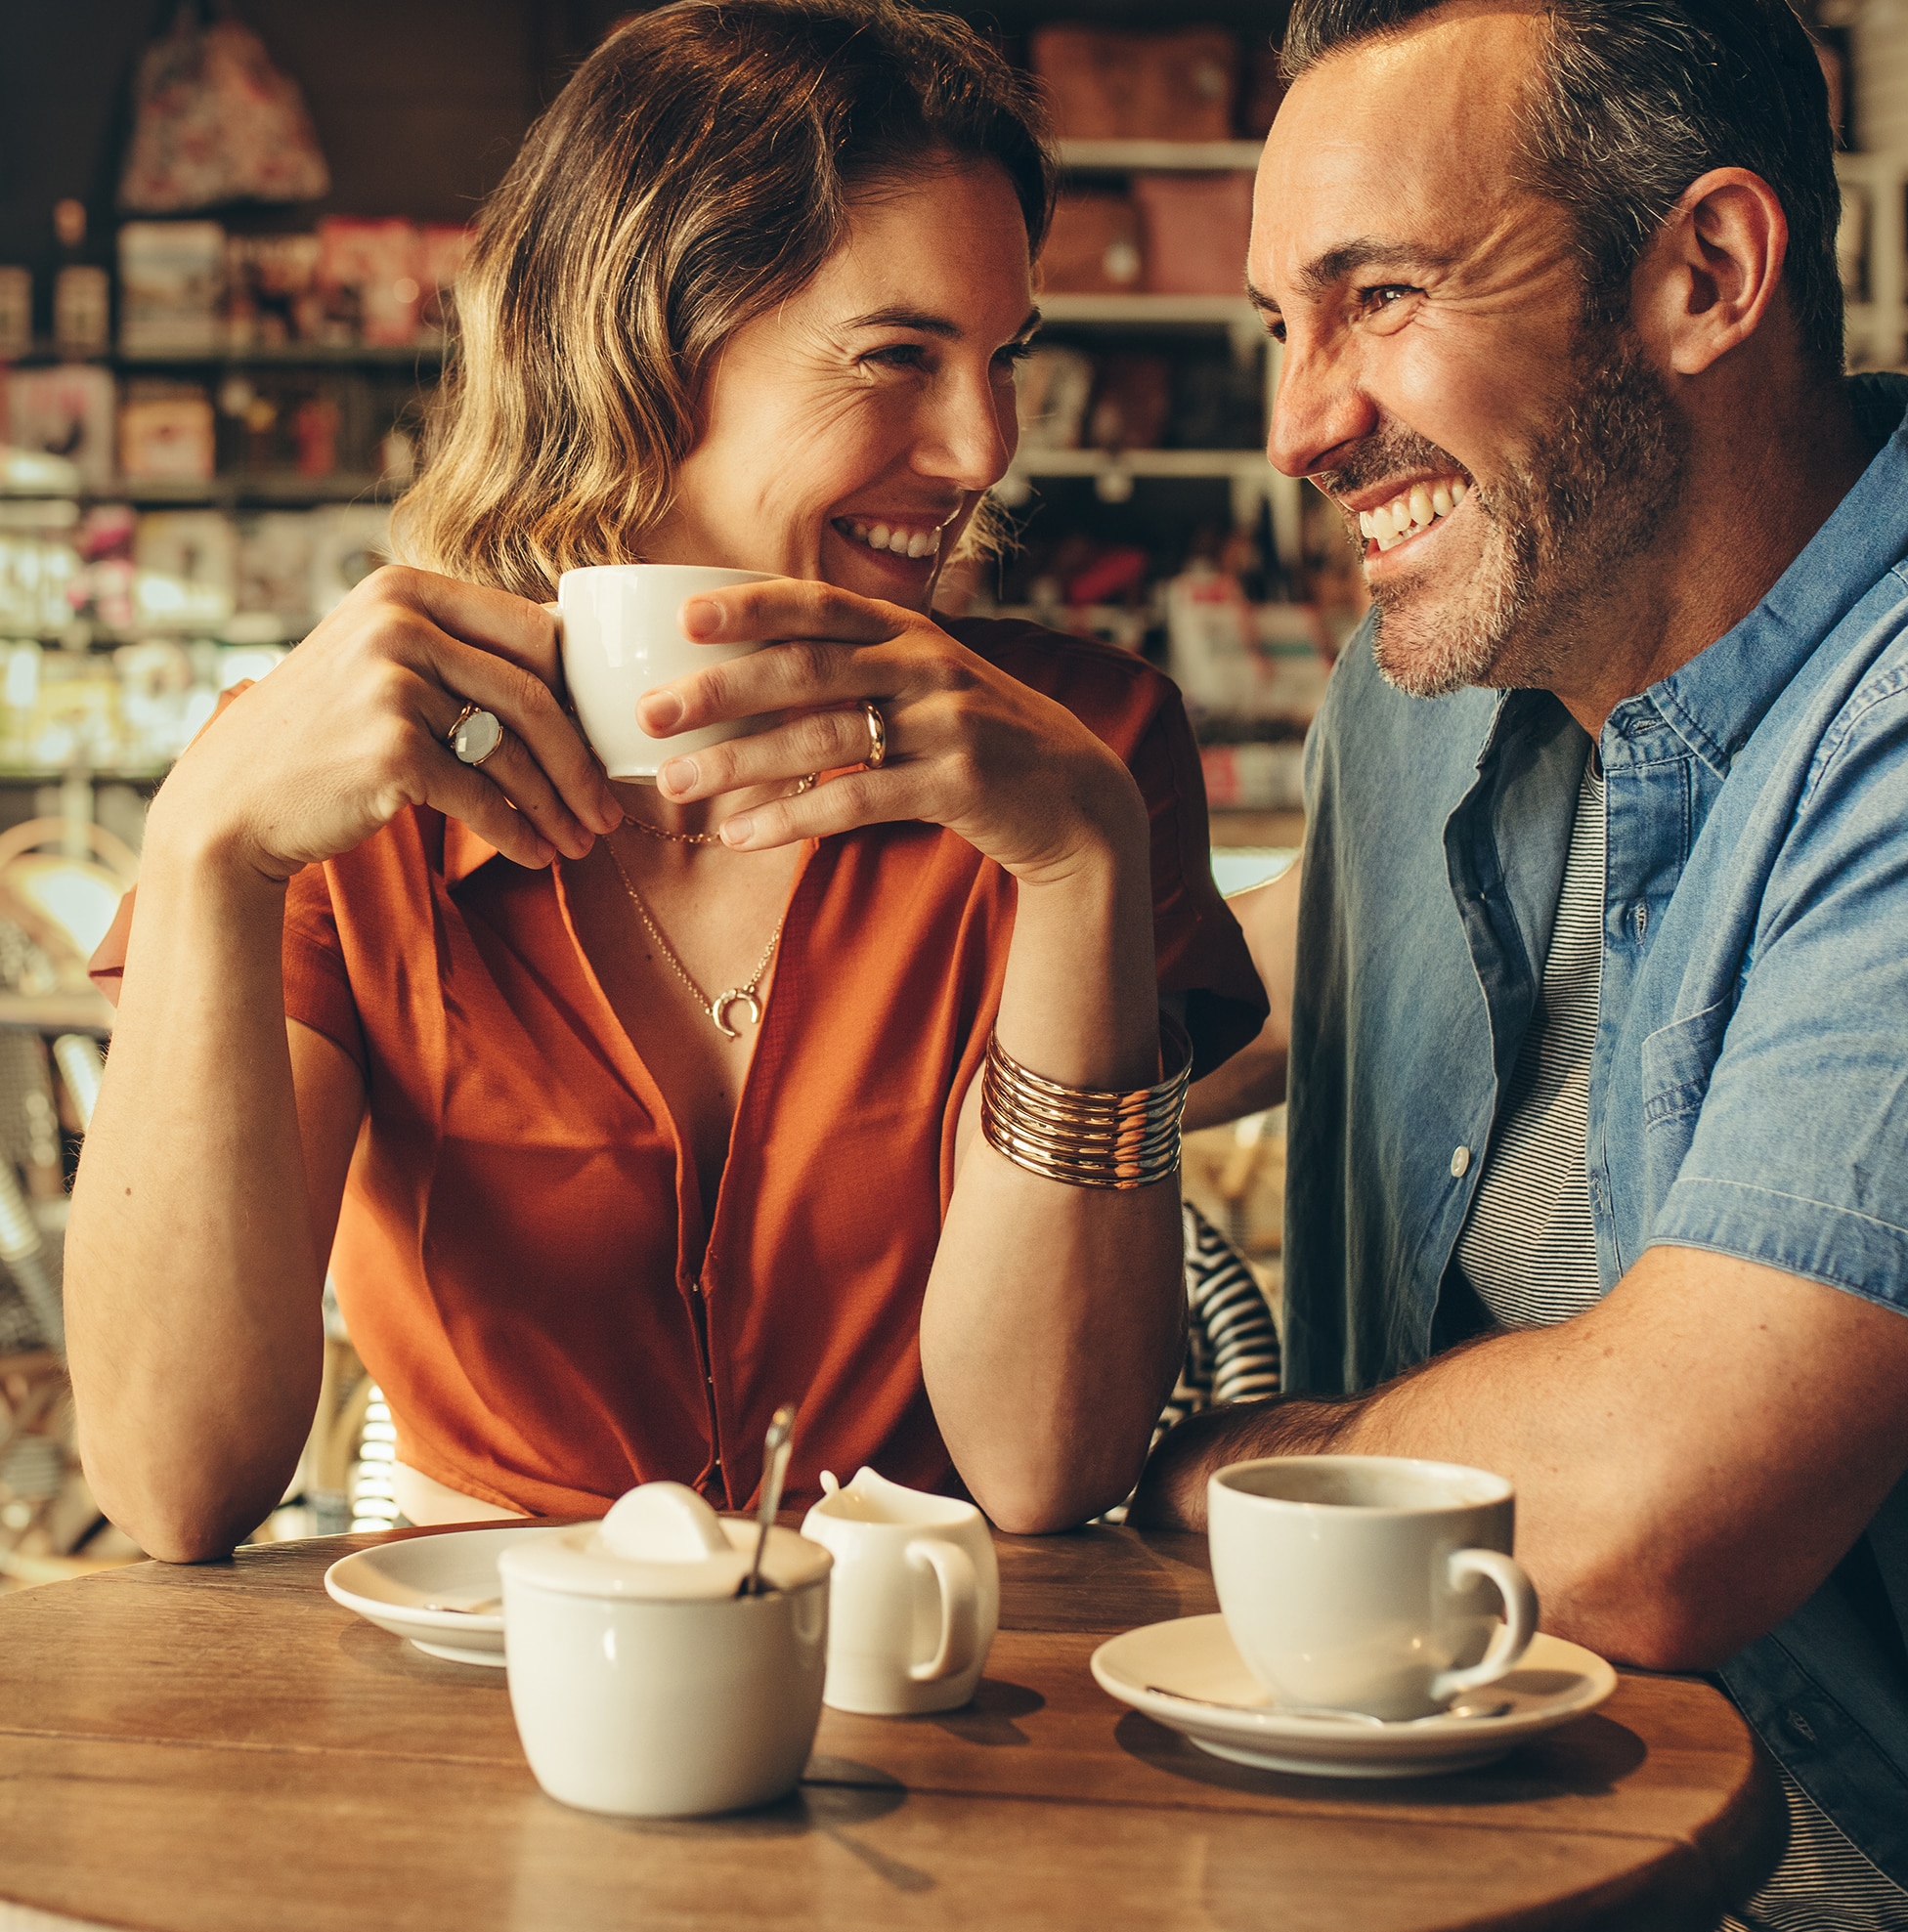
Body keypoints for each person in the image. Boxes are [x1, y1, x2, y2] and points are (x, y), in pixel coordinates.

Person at [66, 0, 1263, 1561]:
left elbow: (1044, 1464)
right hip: (474, 1705)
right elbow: (171, 1485)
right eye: (898, 356)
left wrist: (1085, 864)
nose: (985, 446)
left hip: (945, 1720)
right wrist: (208, 848)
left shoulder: (1081, 758)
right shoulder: (338, 779)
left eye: (1003, 359)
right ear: (643, 348)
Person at [1140, 0, 1908, 1932]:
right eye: (1283, 325)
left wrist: (1216, 1460)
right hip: (1445, 1838)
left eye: (1380, 297)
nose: (1300, 423)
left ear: (1705, 273)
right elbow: (1299, 961)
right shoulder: (1426, 677)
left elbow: (1649, 1508)